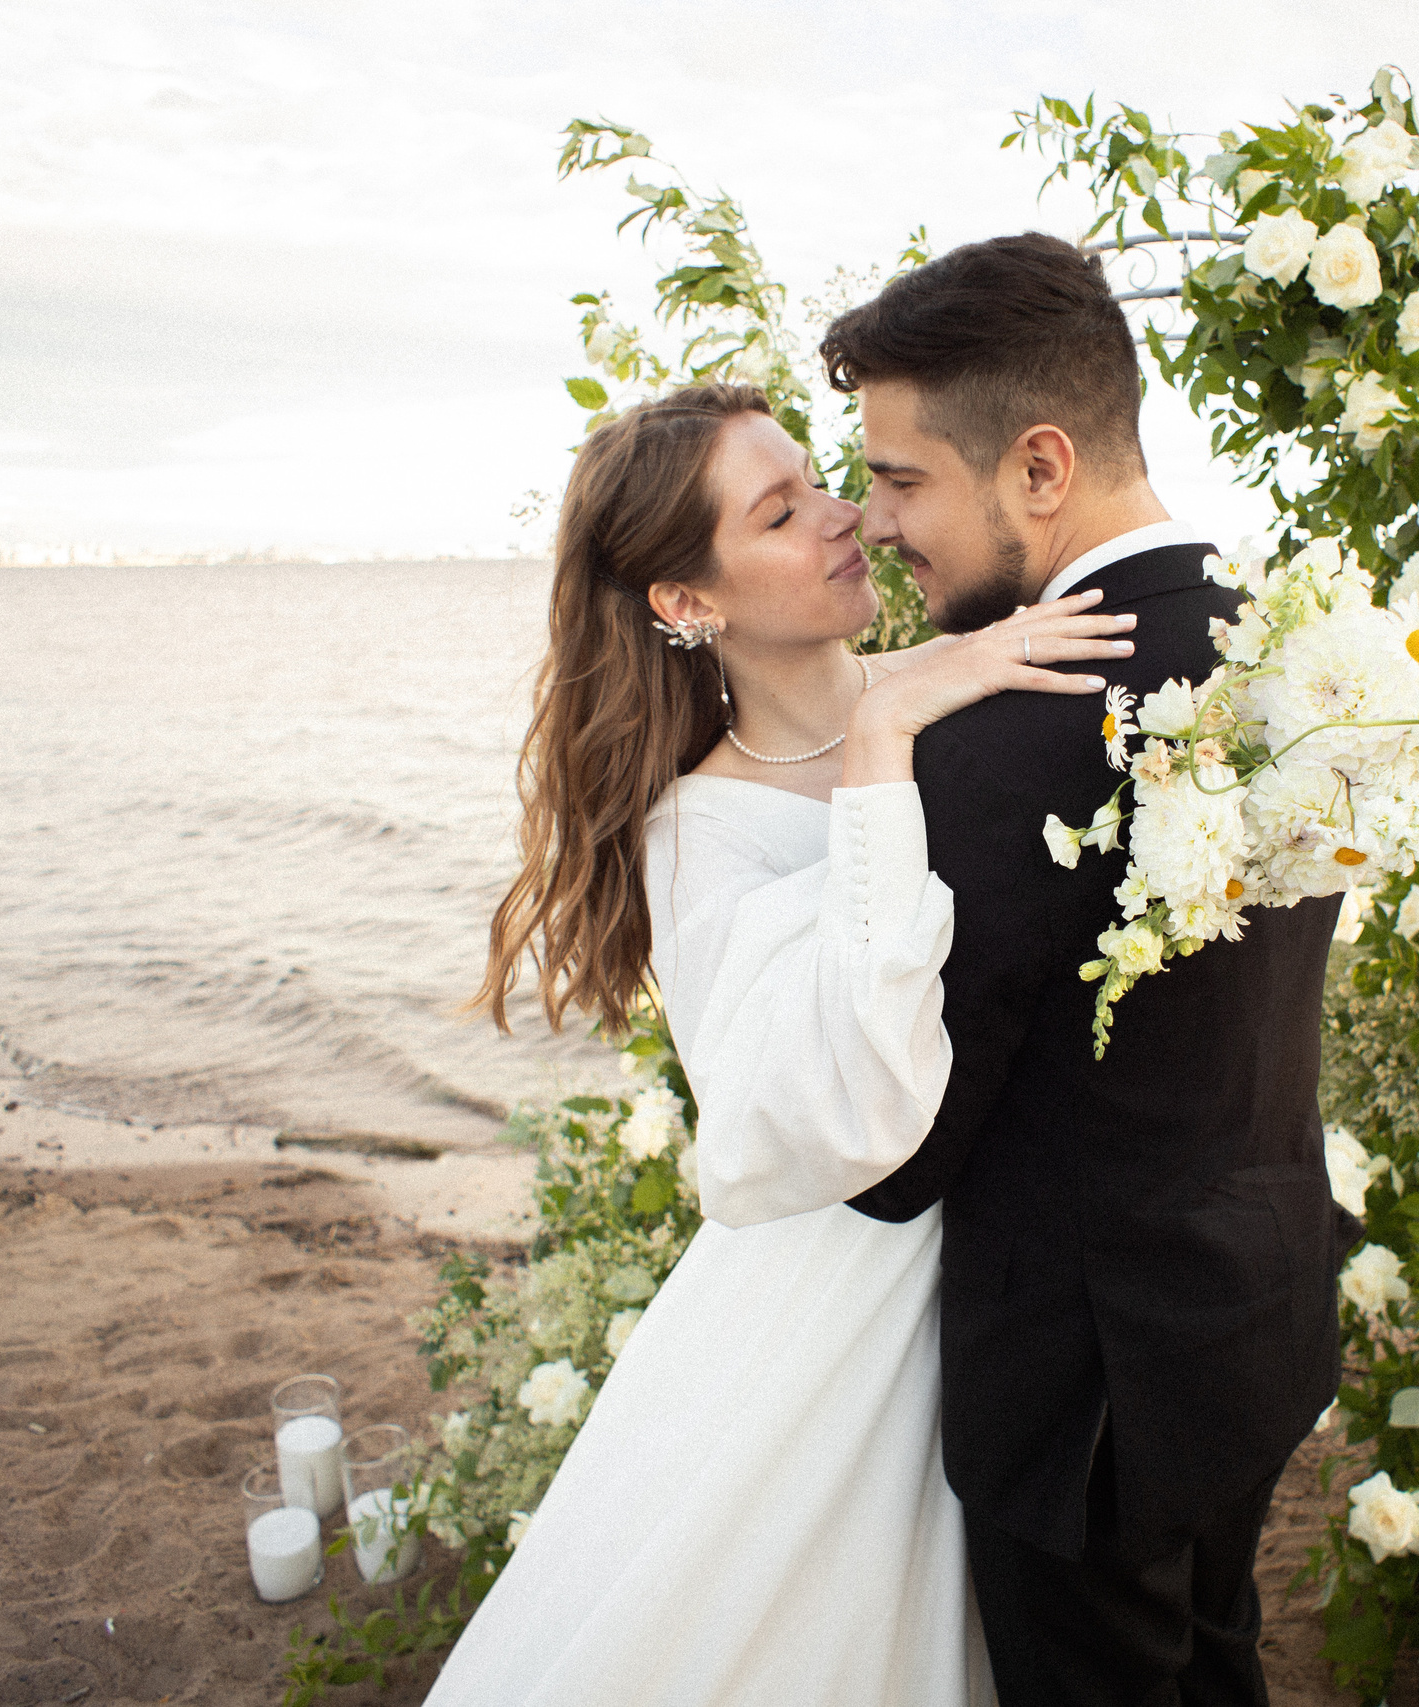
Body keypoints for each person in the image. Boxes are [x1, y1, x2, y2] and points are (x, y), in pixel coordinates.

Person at [425, 382, 1134, 1706]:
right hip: (849, 1294)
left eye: (818, 481)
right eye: (780, 512)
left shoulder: (972, 674)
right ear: (687, 603)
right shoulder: (704, 834)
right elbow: (833, 1115)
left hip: (1029, 1267)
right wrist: (877, 744)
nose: (844, 517)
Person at [821, 233, 1358, 1707]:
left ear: (1040, 468)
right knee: (1216, 1660)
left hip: (1089, 1394)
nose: (874, 524)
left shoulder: (1000, 735)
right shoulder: (1294, 662)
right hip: (1251, 1316)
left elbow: (898, 1156)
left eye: (903, 477)